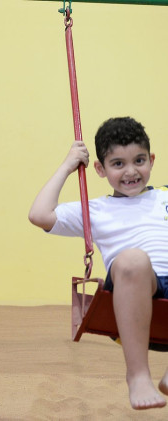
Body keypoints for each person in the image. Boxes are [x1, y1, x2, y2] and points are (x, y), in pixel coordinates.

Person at [28, 116, 168, 410]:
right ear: (100, 169)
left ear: (151, 160)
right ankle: (138, 375)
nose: (131, 171)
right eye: (118, 164)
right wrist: (67, 166)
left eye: (139, 160)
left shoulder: (164, 196)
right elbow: (39, 214)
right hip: (137, 285)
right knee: (133, 259)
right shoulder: (96, 210)